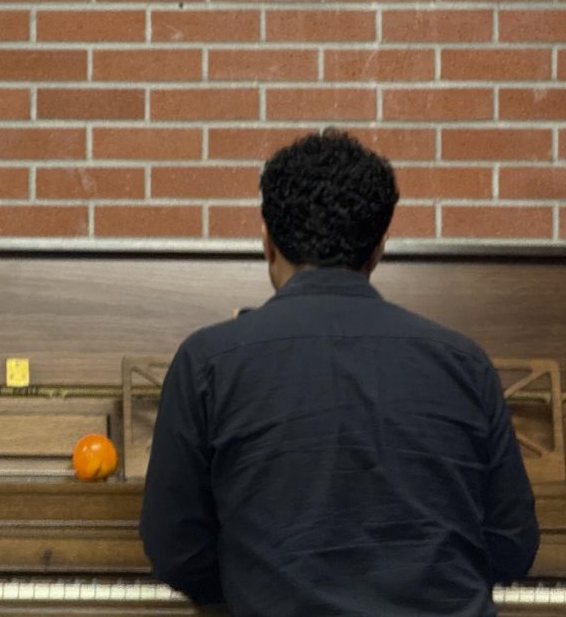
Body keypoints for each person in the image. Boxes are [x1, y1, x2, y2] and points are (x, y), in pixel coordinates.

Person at [139, 129, 539, 617]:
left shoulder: (207, 361)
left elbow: (176, 552)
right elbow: (512, 547)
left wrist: (260, 581)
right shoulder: (466, 363)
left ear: (266, 239)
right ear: (379, 248)